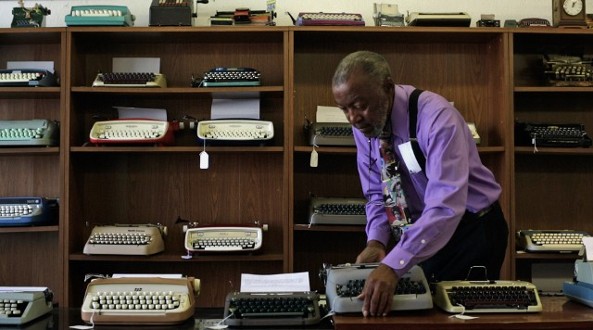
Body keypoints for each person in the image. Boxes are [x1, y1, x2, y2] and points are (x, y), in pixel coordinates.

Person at [331, 50, 509, 317]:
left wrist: (394, 265)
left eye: (359, 105)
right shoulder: (365, 127)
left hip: (472, 231)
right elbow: (377, 193)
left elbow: (446, 206)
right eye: (344, 109)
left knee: (458, 318)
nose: (353, 118)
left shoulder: (437, 118)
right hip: (425, 232)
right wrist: (377, 242)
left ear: (387, 88)